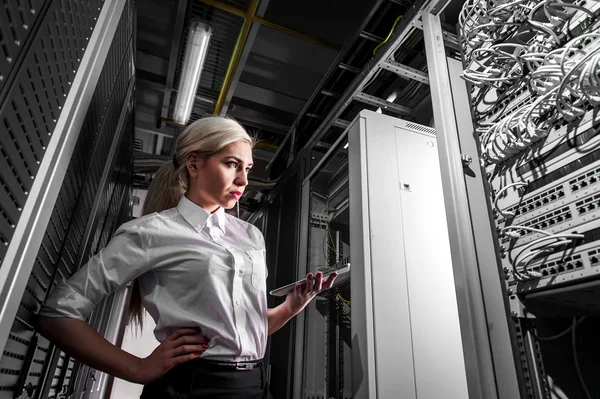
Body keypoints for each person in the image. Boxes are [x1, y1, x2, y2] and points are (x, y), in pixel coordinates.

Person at [36, 117, 337, 398]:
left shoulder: (251, 236)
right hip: (191, 388)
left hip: (254, 386)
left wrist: (291, 306)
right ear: (194, 163)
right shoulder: (150, 232)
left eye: (247, 168)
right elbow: (58, 314)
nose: (244, 180)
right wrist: (136, 368)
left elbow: (243, 332)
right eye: (232, 164)